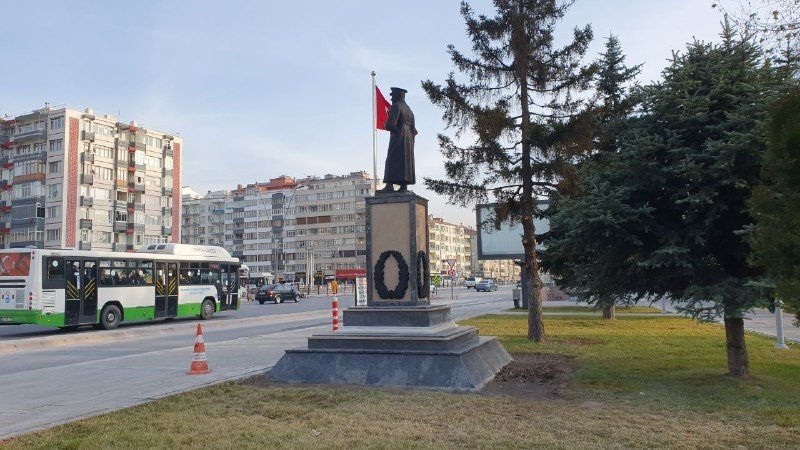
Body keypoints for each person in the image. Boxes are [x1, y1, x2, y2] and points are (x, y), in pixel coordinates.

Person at [378, 87, 417, 193]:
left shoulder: (396, 106)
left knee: (392, 159)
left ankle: (389, 185)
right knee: (405, 162)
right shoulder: (410, 111)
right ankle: (403, 186)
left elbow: (390, 125)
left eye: (392, 96)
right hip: (408, 139)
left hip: (398, 137)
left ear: (397, 96)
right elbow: (413, 130)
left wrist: (387, 125)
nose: (391, 98)